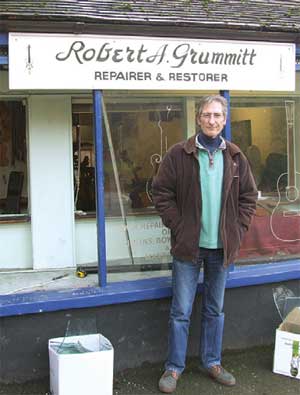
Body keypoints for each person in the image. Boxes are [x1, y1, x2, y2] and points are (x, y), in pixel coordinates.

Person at [152, 95, 257, 393]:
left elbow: (249, 197)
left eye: (217, 115)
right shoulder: (179, 154)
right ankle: (173, 368)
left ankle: (212, 362)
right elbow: (161, 193)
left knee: (215, 309)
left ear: (225, 120)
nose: (212, 120)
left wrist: (237, 229)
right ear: (198, 118)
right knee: (181, 310)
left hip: (221, 249)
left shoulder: (235, 157)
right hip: (189, 248)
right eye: (207, 115)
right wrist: (179, 225)